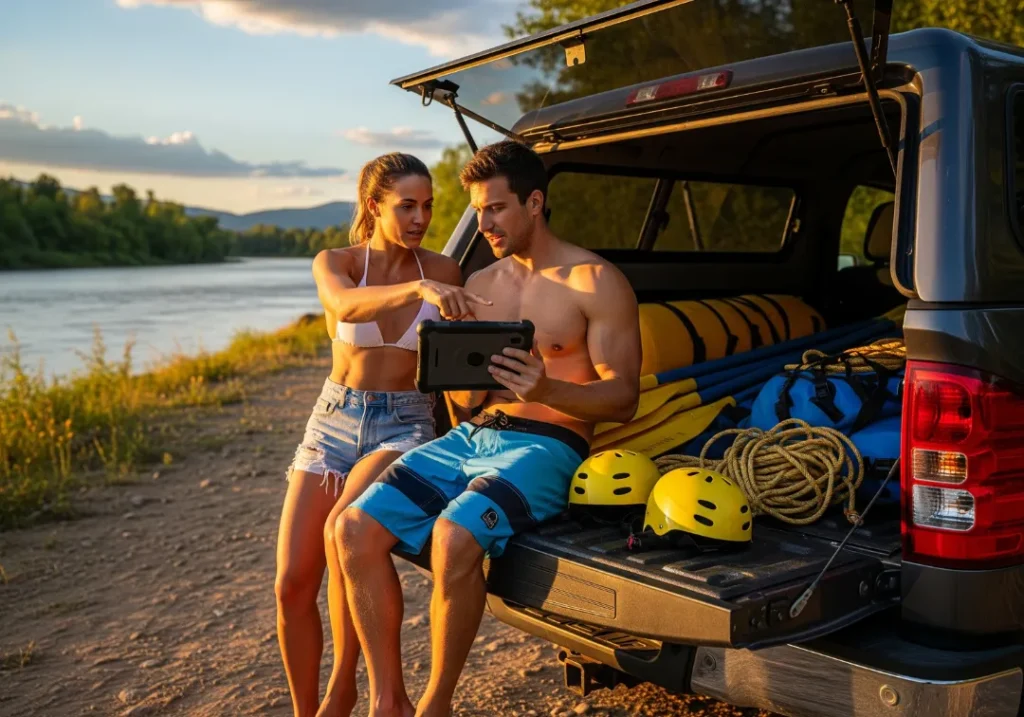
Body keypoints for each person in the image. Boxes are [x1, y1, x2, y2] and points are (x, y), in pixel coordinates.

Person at [335, 140, 642, 717]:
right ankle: (386, 703)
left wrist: (546, 388)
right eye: (477, 211)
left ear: (534, 202)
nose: (485, 223)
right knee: (353, 530)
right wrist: (462, 386)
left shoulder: (595, 281)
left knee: (454, 536)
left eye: (496, 209)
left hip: (550, 443)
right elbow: (464, 396)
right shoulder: (484, 285)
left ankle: (436, 706)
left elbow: (623, 397)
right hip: (476, 436)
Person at [274, 152, 491, 717]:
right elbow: (345, 304)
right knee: (292, 584)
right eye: (407, 205)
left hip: (404, 425)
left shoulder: (447, 272)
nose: (421, 217)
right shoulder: (338, 262)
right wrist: (418, 290)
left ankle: (349, 689)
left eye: (428, 206)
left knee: (341, 531)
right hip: (333, 420)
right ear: (374, 206)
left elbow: (456, 379)